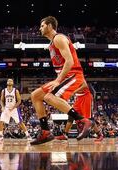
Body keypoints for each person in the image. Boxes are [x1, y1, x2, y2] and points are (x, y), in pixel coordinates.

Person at [29, 16, 92, 145]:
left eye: (42, 25)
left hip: (74, 75)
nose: (40, 28)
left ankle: (82, 120)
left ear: (50, 26)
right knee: (35, 96)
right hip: (66, 76)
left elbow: (69, 61)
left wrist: (57, 80)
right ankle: (45, 132)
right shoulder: (52, 43)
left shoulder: (59, 38)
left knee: (49, 97)